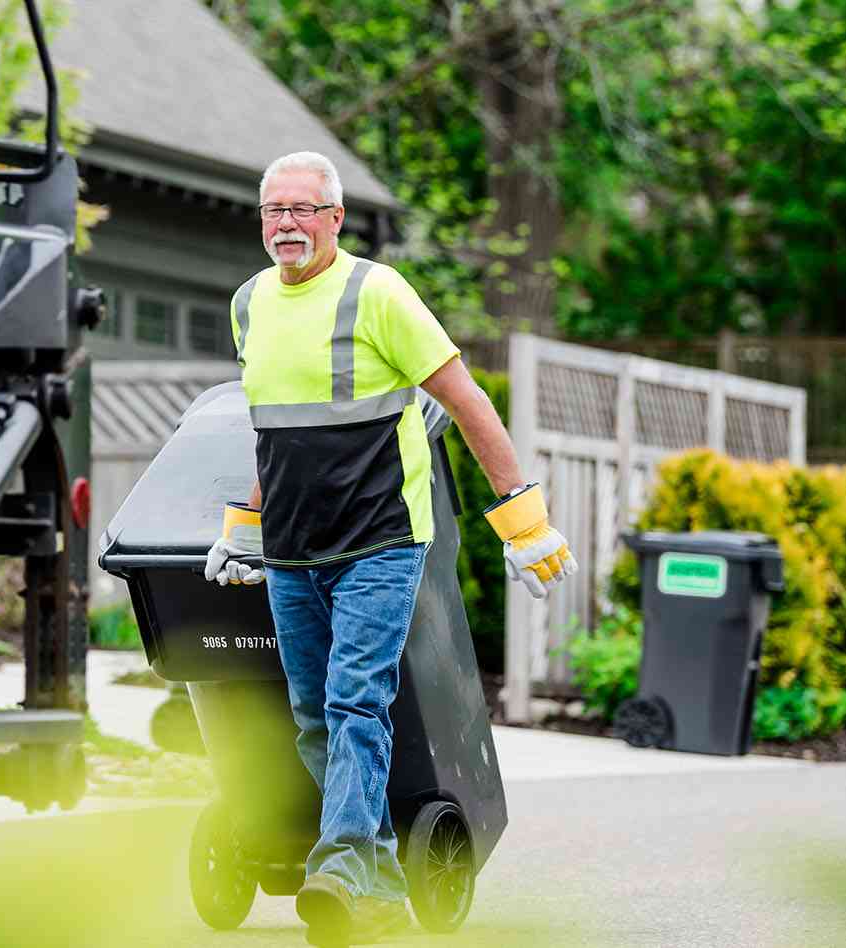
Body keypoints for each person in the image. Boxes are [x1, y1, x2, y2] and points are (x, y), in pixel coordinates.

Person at [203, 151, 575, 946]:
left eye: (303, 210)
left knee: (354, 701)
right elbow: (275, 432)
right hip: (294, 550)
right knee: (312, 715)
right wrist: (245, 526)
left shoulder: (379, 293)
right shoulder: (247, 305)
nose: (287, 225)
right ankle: (368, 881)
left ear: (335, 219)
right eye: (273, 211)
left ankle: (338, 869)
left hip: (380, 541)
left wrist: (523, 516)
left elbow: (466, 400)